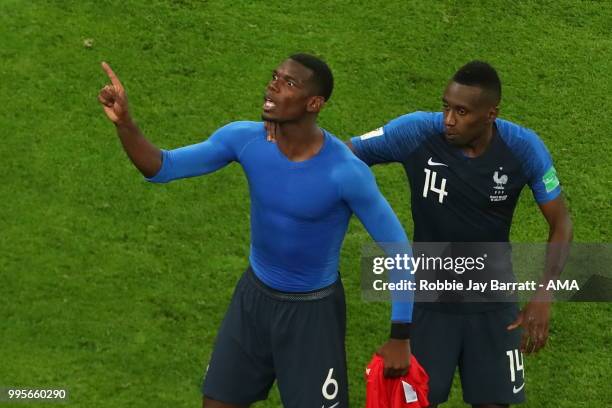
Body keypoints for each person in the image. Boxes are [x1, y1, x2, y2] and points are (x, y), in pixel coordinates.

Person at [98, 53, 415, 408]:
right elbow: (163, 167)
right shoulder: (244, 140)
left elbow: (399, 250)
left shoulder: (346, 172)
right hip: (253, 301)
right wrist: (125, 123)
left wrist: (400, 335)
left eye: (288, 83)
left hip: (312, 316)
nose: (273, 85)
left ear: (314, 103)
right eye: (275, 76)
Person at [345, 61, 573, 407]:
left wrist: (545, 293)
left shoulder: (523, 148)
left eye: (462, 111)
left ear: (490, 114)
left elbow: (562, 224)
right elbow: (345, 154)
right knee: (416, 401)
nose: (449, 119)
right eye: (446, 107)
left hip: (494, 305)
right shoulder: (417, 132)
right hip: (429, 303)